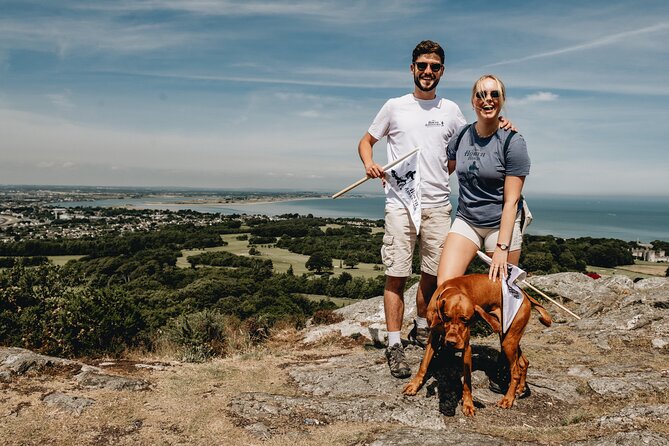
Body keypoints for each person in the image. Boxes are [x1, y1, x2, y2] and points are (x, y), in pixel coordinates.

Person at [358, 42, 512, 379]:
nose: (428, 72)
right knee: (396, 274)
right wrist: (370, 163)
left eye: (434, 67)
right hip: (400, 203)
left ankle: (423, 327)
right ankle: (395, 345)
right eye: (422, 65)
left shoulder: (452, 110)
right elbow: (366, 141)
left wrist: (501, 122)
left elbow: (472, 138)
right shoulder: (394, 106)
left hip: (439, 205)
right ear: (412, 68)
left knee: (433, 276)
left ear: (441, 71)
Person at [437, 74, 530, 286]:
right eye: (480, 95)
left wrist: (502, 248)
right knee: (446, 285)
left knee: (501, 290)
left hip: (501, 224)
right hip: (467, 219)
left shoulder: (513, 142)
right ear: (473, 101)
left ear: (502, 99)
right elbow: (441, 172)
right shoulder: (461, 136)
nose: (487, 99)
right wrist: (398, 178)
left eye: (494, 94)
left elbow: (511, 201)